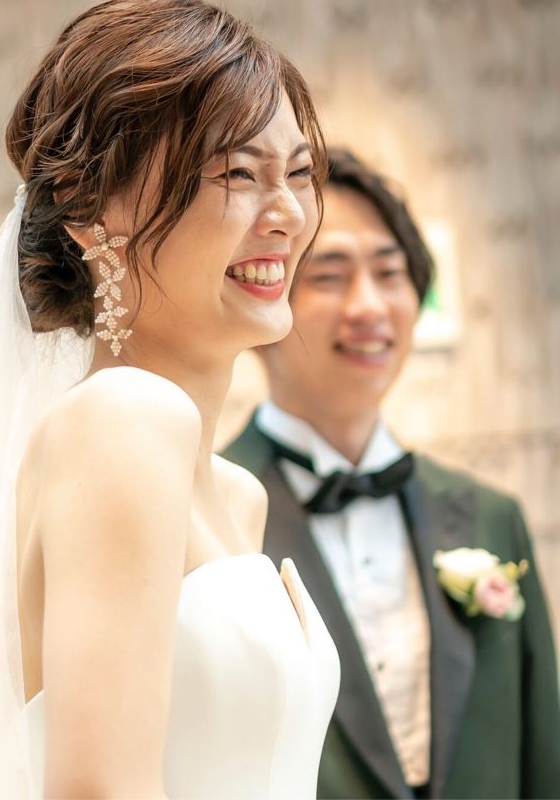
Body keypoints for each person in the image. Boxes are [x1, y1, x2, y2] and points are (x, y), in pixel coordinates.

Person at [0, 0, 341, 797]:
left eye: (297, 172)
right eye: (237, 173)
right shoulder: (123, 420)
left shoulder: (236, 494)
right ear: (89, 210)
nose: (288, 214)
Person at [222, 148, 560, 799]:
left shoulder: (492, 516)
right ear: (265, 297)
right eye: (329, 275)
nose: (369, 306)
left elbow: (543, 762)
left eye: (389, 272)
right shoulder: (205, 511)